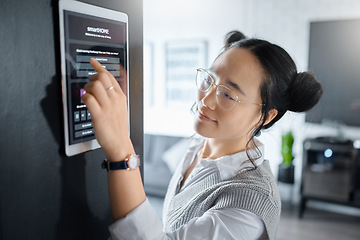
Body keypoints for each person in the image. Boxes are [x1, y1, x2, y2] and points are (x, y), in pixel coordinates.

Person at [82, 31, 323, 240]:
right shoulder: (199, 144)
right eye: (209, 79)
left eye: (228, 95)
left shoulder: (249, 207)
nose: (205, 100)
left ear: (266, 116)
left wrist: (121, 150)